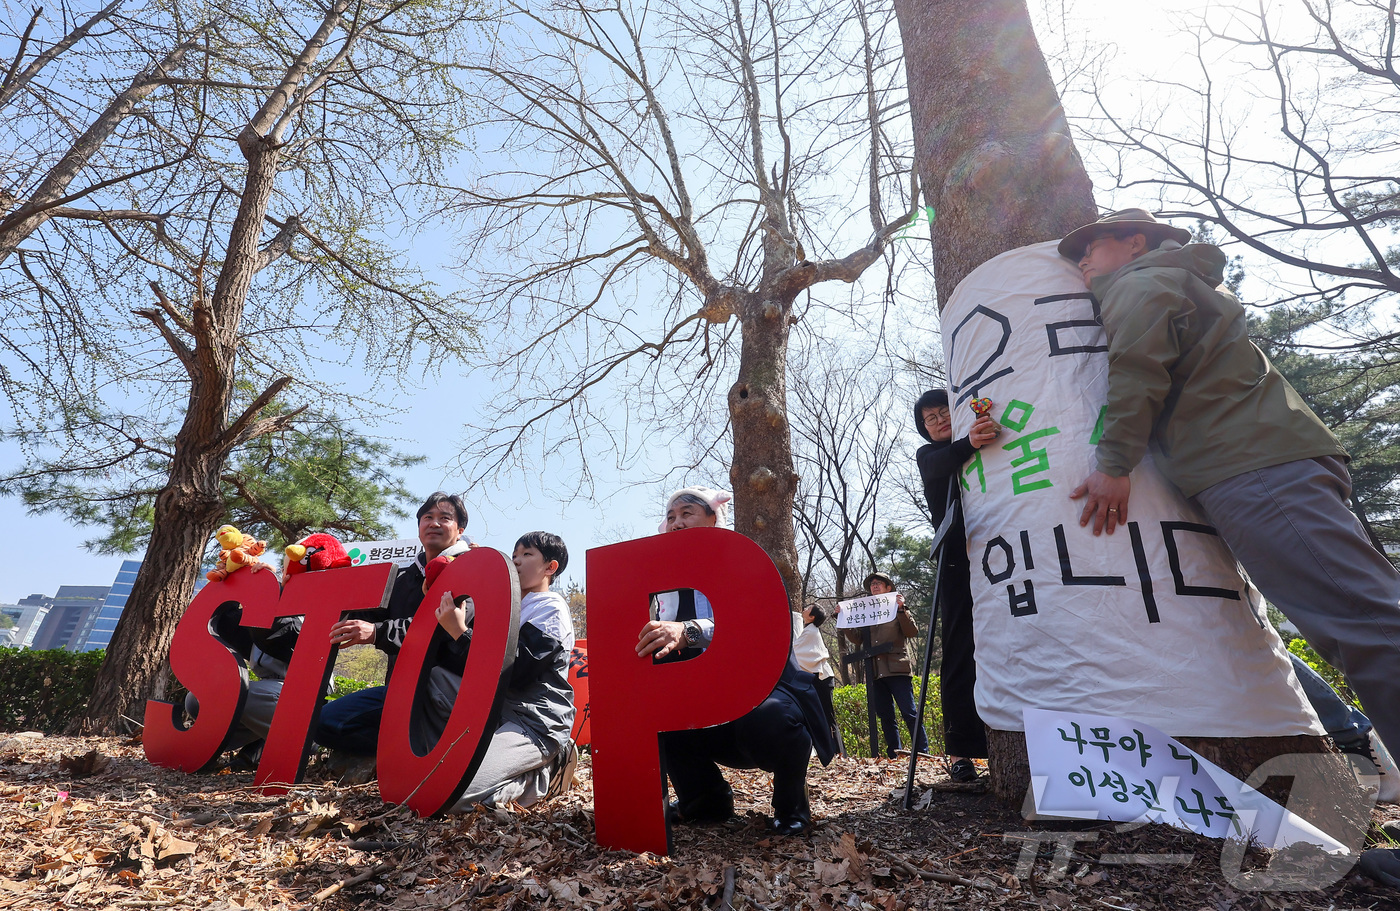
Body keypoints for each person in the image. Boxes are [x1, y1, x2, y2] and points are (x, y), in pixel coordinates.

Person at [1060, 207, 1400, 771]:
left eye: (1091, 246)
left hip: (1252, 467)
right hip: (1264, 460)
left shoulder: (1140, 281)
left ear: (1135, 242)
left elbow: (1137, 367)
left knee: (1365, 627)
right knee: (1362, 619)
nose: (1084, 260)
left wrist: (1114, 463)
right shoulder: (1177, 279)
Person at [637, 486, 837, 835]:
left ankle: (791, 807)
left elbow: (751, 625)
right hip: (694, 708)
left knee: (778, 719)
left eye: (687, 514)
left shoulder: (742, 566)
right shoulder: (659, 585)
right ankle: (704, 800)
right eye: (670, 517)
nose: (676, 523)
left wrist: (690, 631)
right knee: (655, 716)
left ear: (714, 520)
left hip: (753, 704)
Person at [314, 492, 473, 768]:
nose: (434, 523)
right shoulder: (401, 578)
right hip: (399, 691)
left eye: (445, 518)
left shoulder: (471, 572)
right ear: (419, 527)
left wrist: (376, 633)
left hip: (444, 695)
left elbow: (436, 629)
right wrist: (310, 580)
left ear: (460, 531)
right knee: (322, 722)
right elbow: (355, 613)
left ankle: (419, 752)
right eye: (428, 517)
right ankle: (397, 754)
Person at [430, 531, 577, 808]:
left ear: (550, 567)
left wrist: (461, 633)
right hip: (494, 708)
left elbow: (519, 670)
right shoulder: (503, 605)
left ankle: (545, 775)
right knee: (437, 680)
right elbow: (465, 664)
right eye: (514, 555)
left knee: (453, 798)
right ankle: (452, 758)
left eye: (526, 554)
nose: (516, 561)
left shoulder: (550, 607)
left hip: (533, 720)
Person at [913, 388, 998, 781]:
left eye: (943, 412)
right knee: (961, 647)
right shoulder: (929, 454)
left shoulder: (984, 439)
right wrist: (969, 443)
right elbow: (938, 465)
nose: (938, 420)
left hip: (1002, 548)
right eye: (930, 419)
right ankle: (962, 750)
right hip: (955, 557)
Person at [843, 572, 929, 761]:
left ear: (888, 587)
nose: (874, 586)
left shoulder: (897, 606)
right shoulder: (866, 611)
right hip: (875, 672)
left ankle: (923, 752)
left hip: (897, 668)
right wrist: (843, 620)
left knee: (909, 712)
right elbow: (857, 639)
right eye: (872, 584)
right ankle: (894, 754)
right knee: (886, 716)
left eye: (878, 583)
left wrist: (901, 609)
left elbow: (911, 631)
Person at [795, 603, 842, 754]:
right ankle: (831, 751)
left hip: (822, 678)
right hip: (819, 678)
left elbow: (796, 652)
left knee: (827, 716)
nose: (805, 608)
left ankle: (837, 751)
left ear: (812, 616)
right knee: (823, 716)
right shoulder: (809, 630)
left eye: (808, 608)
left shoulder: (811, 632)